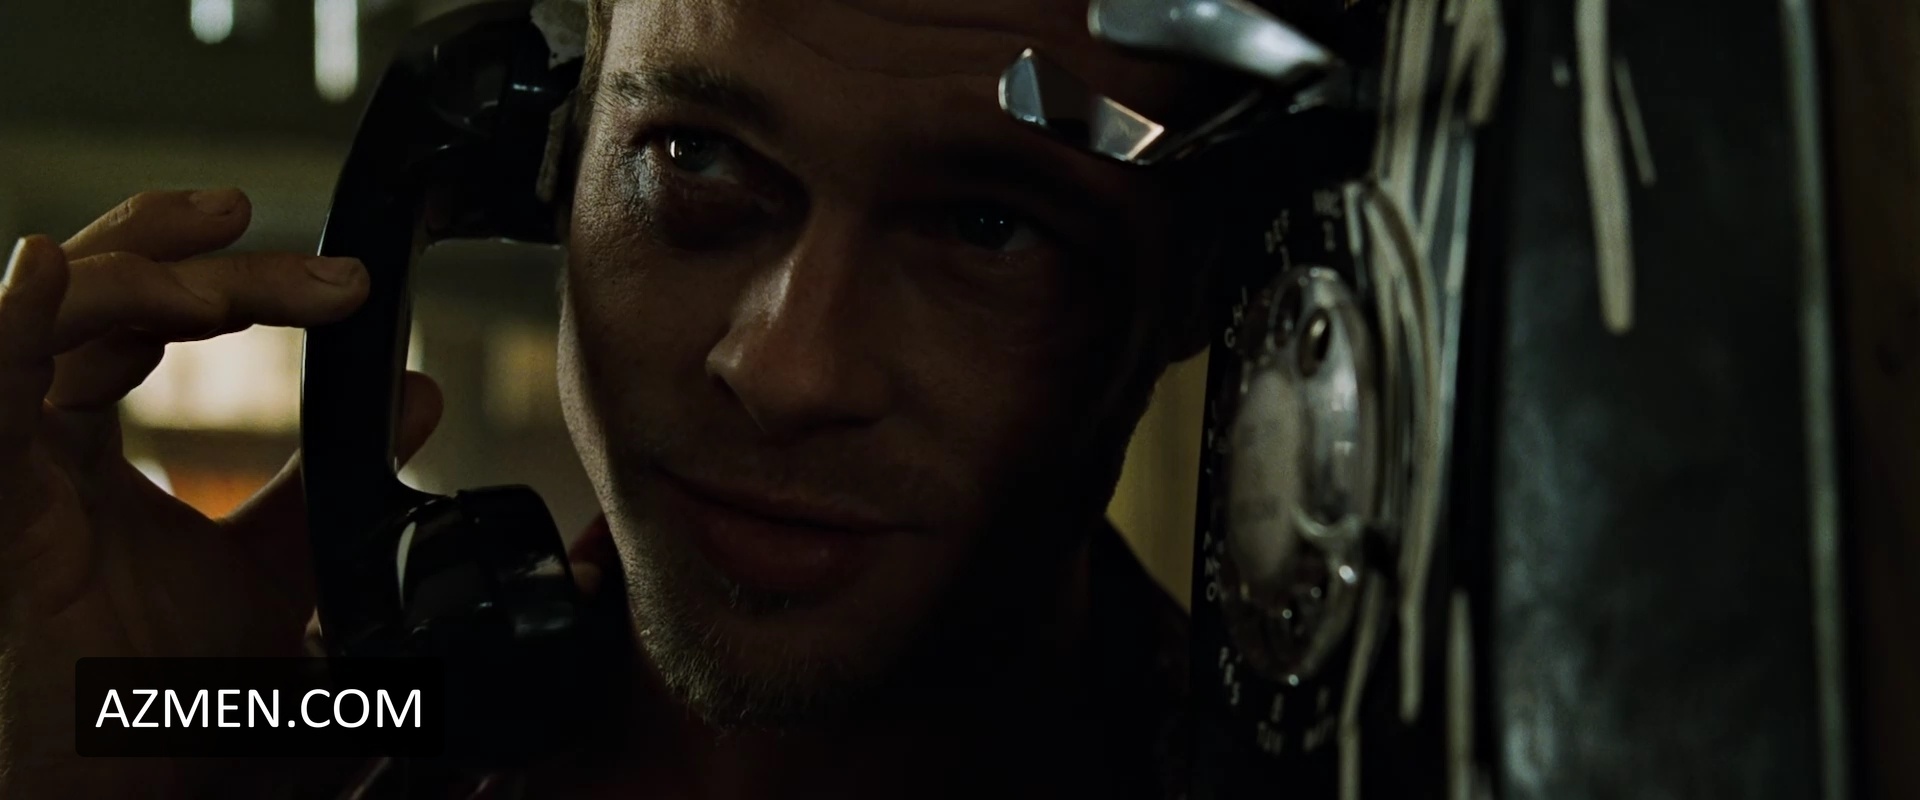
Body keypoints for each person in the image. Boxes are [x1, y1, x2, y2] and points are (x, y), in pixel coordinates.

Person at [0, 0, 1252, 796]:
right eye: (694, 157)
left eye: (988, 226)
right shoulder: (329, 738)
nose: (787, 371)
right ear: (546, 159)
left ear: (1206, 279)